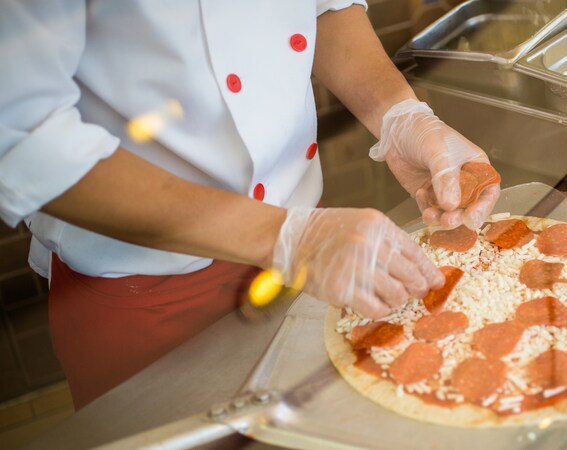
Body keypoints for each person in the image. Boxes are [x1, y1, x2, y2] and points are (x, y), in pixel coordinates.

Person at [0, 1, 500, 409]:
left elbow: (323, 6)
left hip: (312, 257)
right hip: (143, 288)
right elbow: (22, 139)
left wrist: (400, 117)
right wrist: (288, 238)